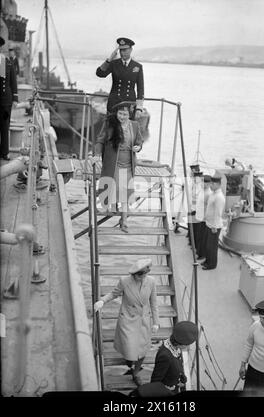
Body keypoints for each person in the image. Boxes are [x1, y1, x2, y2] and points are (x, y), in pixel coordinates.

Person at [94, 258, 159, 386]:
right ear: (134, 274)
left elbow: (154, 303)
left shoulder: (151, 282)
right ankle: (129, 360)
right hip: (128, 319)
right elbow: (114, 294)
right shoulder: (124, 281)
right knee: (129, 349)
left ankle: (135, 373)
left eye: (145, 274)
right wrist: (102, 301)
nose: (143, 278)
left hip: (143, 321)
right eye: (140, 276)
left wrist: (156, 322)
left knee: (142, 350)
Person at [94, 101, 143, 232]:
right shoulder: (110, 124)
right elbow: (100, 139)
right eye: (120, 114)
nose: (122, 116)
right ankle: (114, 207)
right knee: (114, 188)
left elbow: (139, 140)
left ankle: (124, 221)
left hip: (128, 164)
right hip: (113, 163)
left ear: (129, 114)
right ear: (116, 114)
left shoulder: (135, 125)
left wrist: (138, 147)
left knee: (126, 193)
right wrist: (97, 154)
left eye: (125, 114)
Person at [96, 37, 144, 117]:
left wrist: (139, 108)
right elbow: (100, 74)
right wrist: (109, 59)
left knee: (127, 128)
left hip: (129, 104)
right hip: (114, 103)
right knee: (112, 128)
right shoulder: (113, 64)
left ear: (131, 49)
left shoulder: (137, 66)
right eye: (121, 50)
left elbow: (140, 88)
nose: (122, 53)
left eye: (125, 50)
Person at [148, 321, 198, 396]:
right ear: (181, 344)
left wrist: (182, 378)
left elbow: (177, 365)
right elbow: (155, 381)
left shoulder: (175, 347)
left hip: (174, 385)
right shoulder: (165, 356)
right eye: (187, 344)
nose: (188, 347)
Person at [200, 175, 225, 270]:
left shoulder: (219, 197)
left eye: (213, 184)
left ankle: (212, 264)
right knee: (207, 245)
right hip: (209, 223)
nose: (211, 185)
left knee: (212, 247)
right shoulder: (213, 194)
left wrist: (214, 226)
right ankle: (207, 261)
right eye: (211, 183)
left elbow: (218, 213)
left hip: (214, 226)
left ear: (218, 184)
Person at [0, 36, 18, 161]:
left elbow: (13, 81)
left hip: (5, 101)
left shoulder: (6, 62)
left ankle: (4, 152)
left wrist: (15, 98)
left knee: (4, 126)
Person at [194, 174, 212, 260]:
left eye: (204, 182)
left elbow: (210, 208)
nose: (202, 184)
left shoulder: (209, 194)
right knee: (199, 236)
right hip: (199, 217)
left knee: (203, 238)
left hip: (204, 220)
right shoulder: (202, 191)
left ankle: (202, 254)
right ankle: (198, 251)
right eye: (202, 182)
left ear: (208, 184)